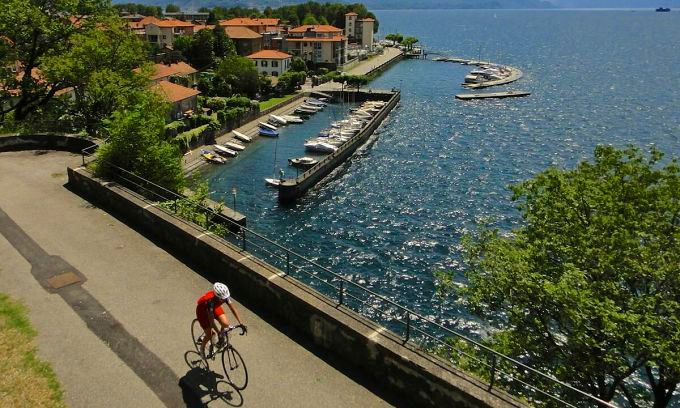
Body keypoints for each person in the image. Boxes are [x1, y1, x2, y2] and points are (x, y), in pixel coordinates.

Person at [196, 282, 246, 359]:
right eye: (223, 299)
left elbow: (233, 309)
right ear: (217, 296)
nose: (225, 299)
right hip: (202, 311)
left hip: (215, 307)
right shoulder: (210, 302)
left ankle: (220, 341)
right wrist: (218, 332)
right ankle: (202, 348)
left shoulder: (224, 297)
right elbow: (212, 322)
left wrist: (241, 323)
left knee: (225, 324)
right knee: (210, 334)